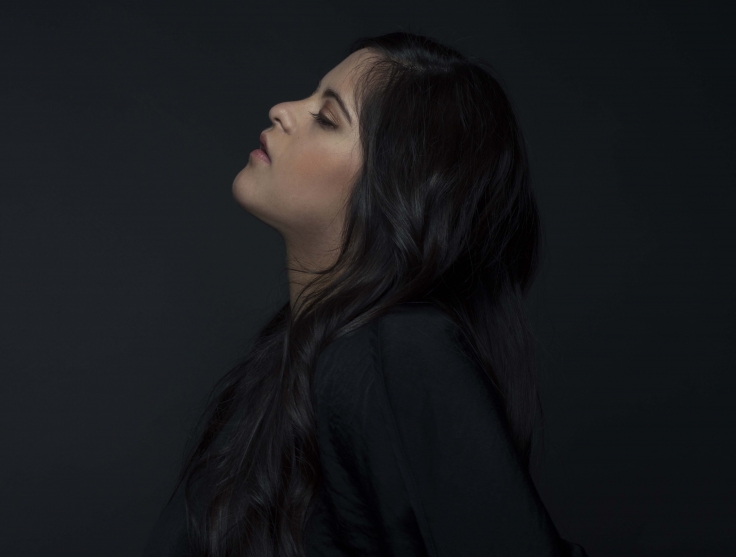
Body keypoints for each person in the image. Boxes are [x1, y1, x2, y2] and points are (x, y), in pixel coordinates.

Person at [144, 31, 589, 557]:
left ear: (395, 189)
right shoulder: (288, 361)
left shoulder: (399, 350)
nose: (282, 110)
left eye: (326, 118)